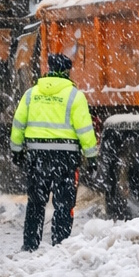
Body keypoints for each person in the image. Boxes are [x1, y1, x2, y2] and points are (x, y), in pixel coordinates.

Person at [11, 53, 98, 251]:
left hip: (36, 157)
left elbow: (18, 124)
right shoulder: (75, 96)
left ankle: (30, 245)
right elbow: (85, 130)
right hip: (65, 159)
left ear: (48, 70)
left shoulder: (31, 94)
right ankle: (60, 245)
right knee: (64, 204)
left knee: (36, 203)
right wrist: (91, 157)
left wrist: (16, 151)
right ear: (67, 72)